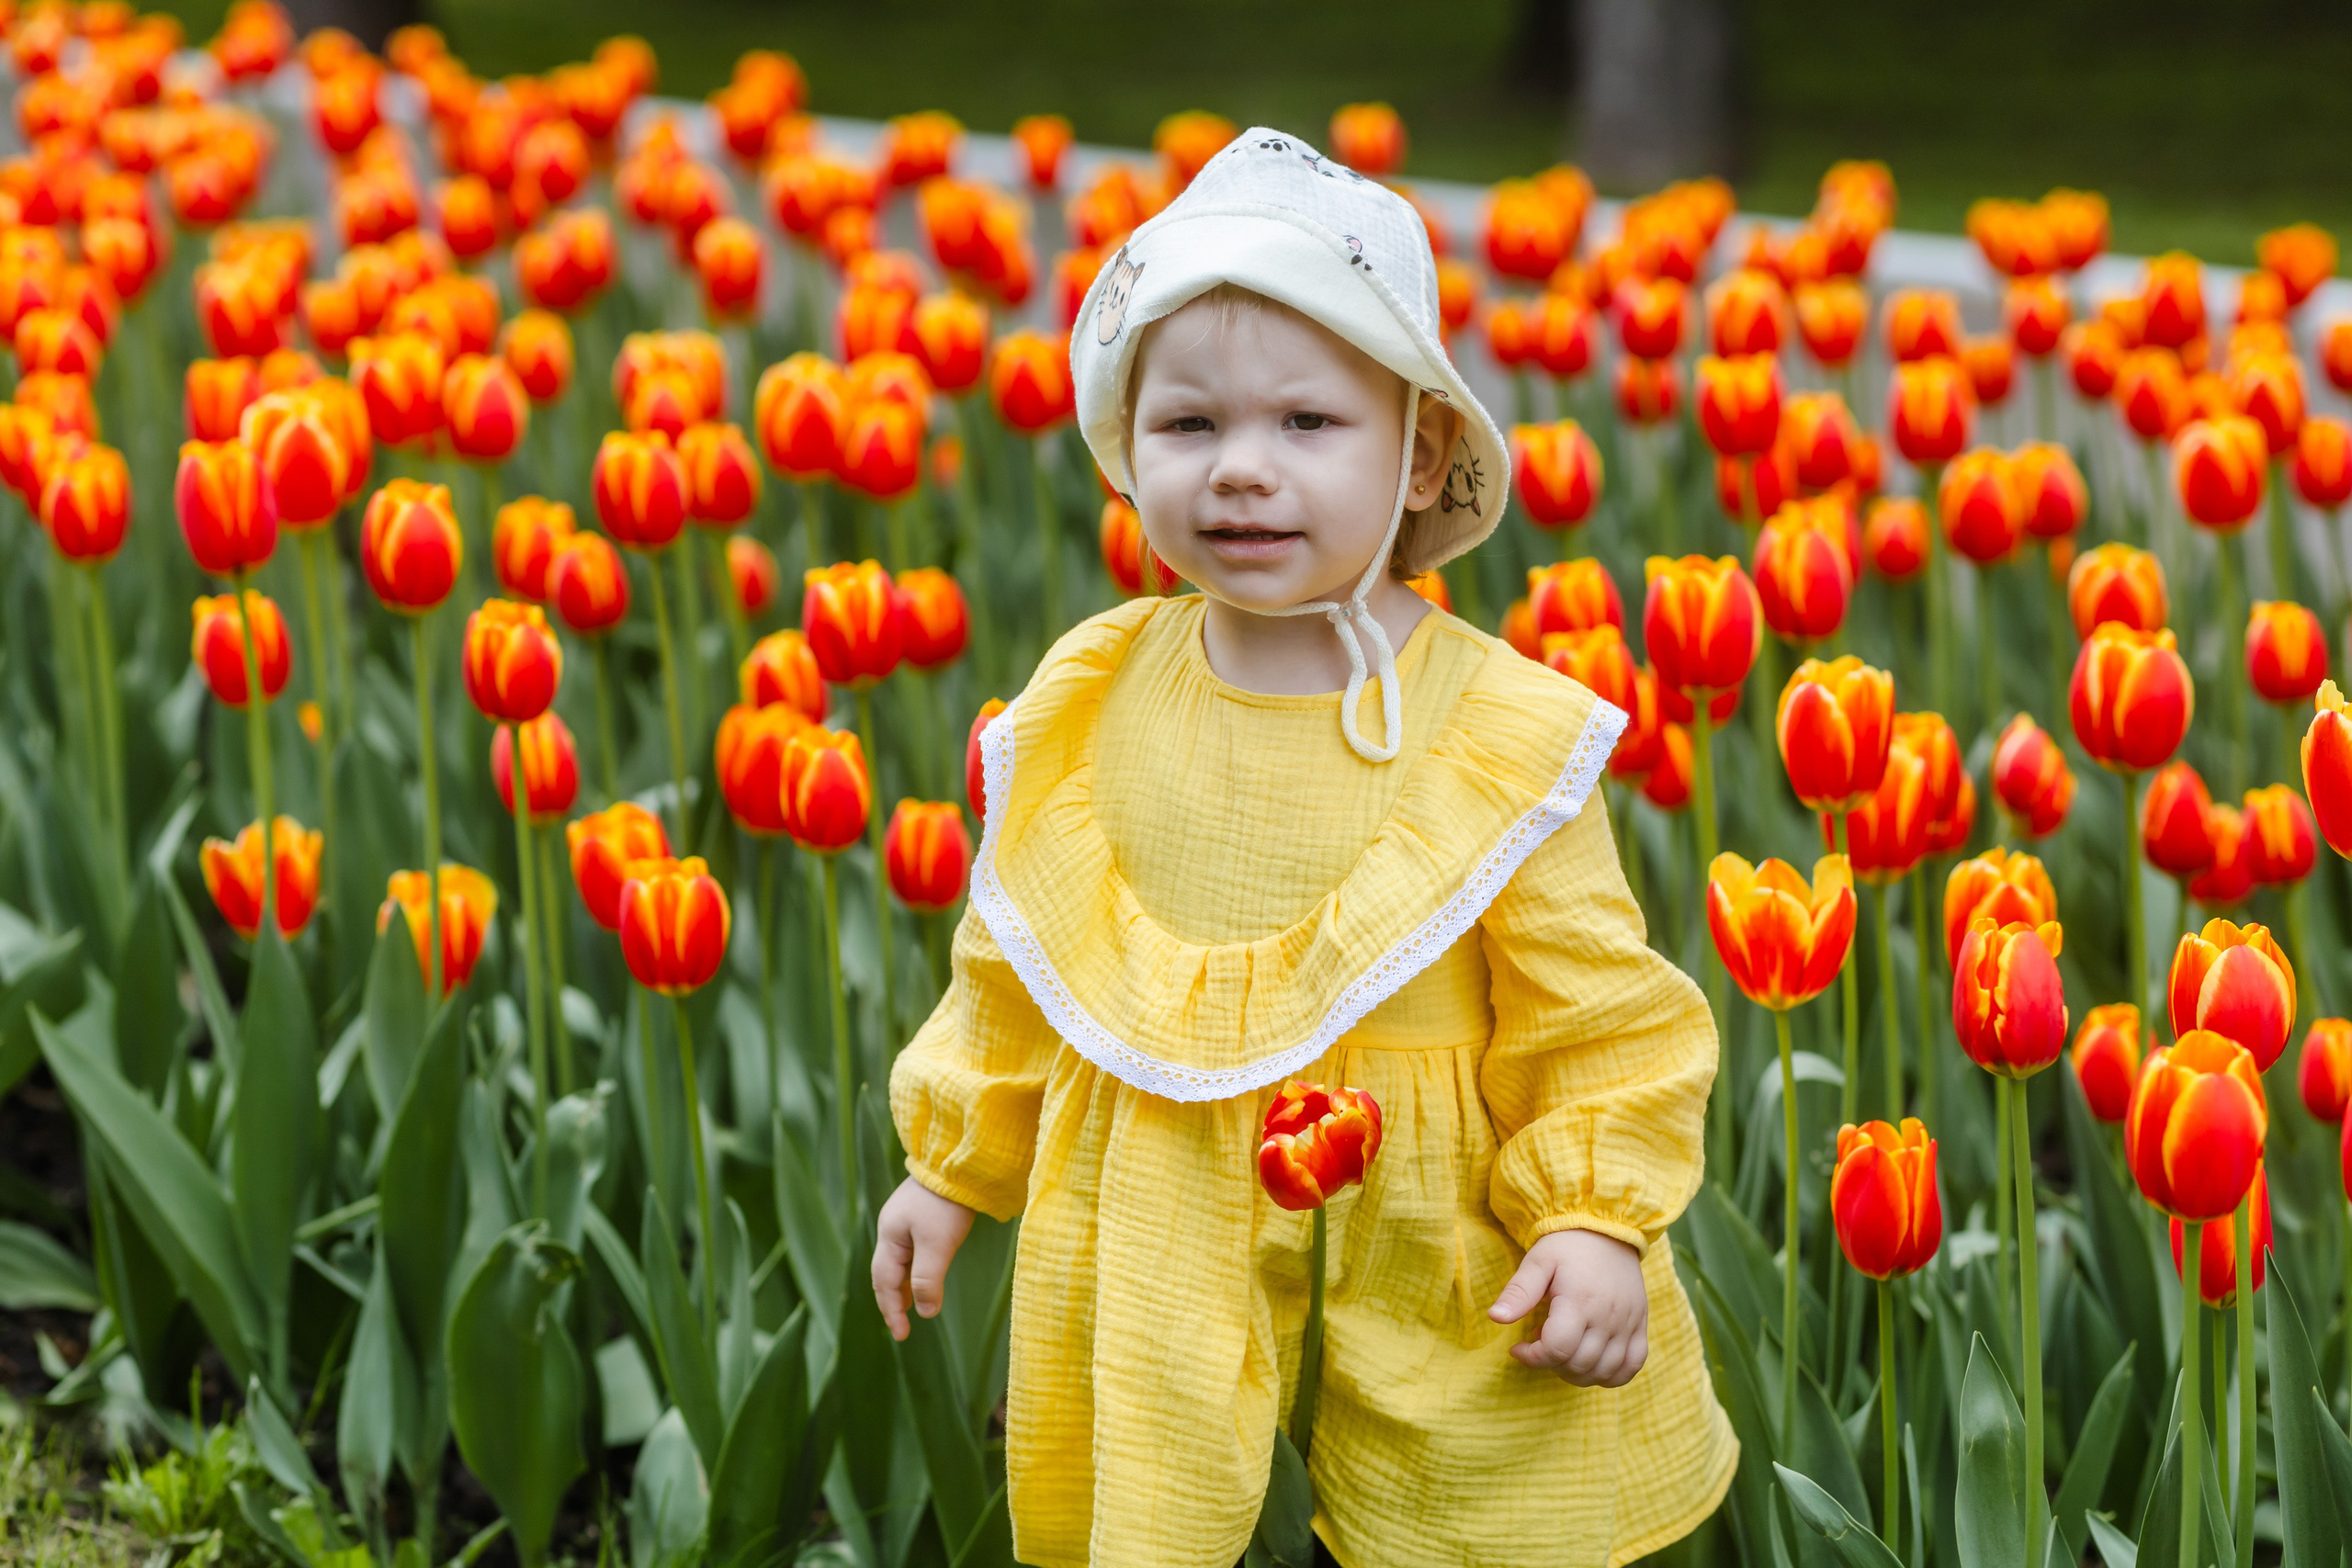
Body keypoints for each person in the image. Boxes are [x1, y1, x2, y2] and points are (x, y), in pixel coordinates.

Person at [872, 128, 1732, 1568]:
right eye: (1189, 427)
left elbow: (1593, 1011)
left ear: (1420, 458)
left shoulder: (1492, 736)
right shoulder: (1095, 691)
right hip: (1159, 1211)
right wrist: (957, 1161)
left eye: (1307, 426)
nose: (1241, 473)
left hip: (1426, 1238)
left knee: (1450, 1518)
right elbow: (1021, 948)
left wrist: (1592, 1219)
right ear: (1125, 447)